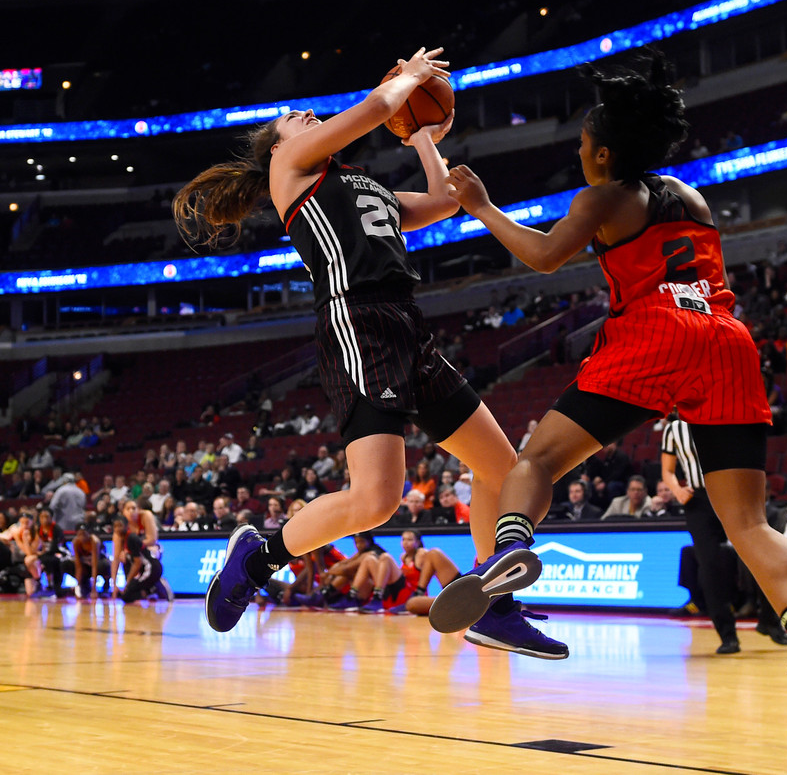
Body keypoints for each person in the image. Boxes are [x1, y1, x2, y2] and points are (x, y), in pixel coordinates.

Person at [432, 49, 787, 756]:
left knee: (537, 457)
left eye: (581, 145)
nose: (578, 153)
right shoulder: (688, 197)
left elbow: (542, 256)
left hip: (655, 333)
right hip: (726, 338)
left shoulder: (603, 198)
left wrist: (479, 206)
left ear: (602, 152)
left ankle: (505, 557)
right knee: (749, 523)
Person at [177, 47, 546, 655]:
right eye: (296, 118)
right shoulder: (292, 169)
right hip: (358, 323)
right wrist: (405, 81)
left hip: (409, 325)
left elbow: (446, 200)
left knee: (503, 470)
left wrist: (424, 136)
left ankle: (495, 605)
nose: (308, 120)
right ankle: (257, 557)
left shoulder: (366, 185)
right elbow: (376, 106)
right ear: (277, 146)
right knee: (376, 501)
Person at [662, 416, 787, 654]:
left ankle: (770, 622)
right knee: (709, 566)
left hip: (731, 493)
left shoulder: (722, 417)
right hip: (697, 501)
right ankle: (727, 636)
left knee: (759, 554)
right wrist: (677, 489)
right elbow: (667, 470)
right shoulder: (674, 429)